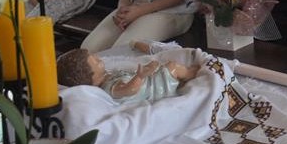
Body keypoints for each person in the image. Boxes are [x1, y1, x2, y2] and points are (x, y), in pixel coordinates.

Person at [57, 48, 201, 103]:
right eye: (95, 61)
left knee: (166, 66)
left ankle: (183, 79)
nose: (98, 58)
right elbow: (130, 90)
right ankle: (192, 74)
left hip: (148, 81)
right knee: (172, 67)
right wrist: (140, 76)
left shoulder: (107, 78)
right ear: (91, 77)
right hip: (153, 89)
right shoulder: (109, 88)